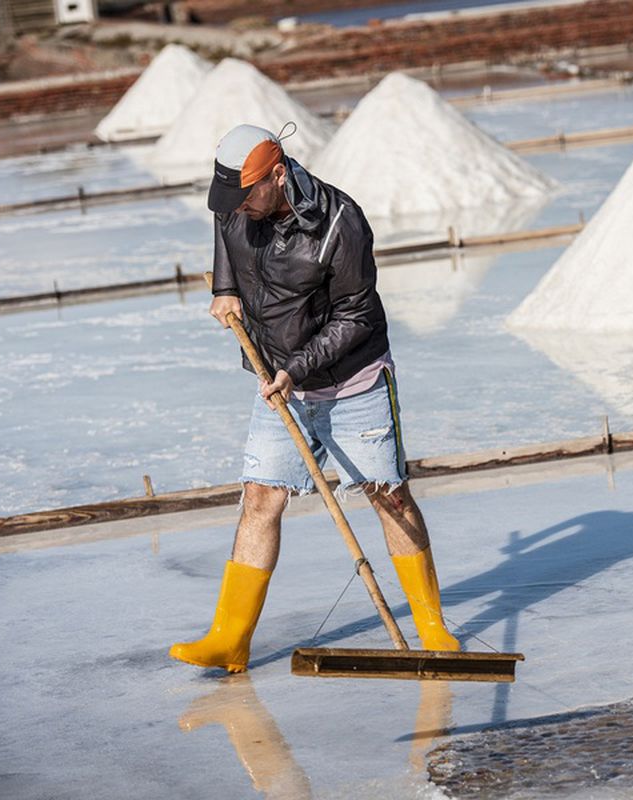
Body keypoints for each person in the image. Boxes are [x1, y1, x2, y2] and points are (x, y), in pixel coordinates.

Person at [169, 124, 460, 673]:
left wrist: (295, 368)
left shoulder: (339, 223)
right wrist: (224, 288)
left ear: (278, 176)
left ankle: (431, 627)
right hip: (278, 383)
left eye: (247, 196)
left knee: (389, 496)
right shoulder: (238, 202)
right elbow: (226, 225)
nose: (237, 209)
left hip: (353, 382)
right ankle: (230, 638)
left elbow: (359, 315)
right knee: (260, 499)